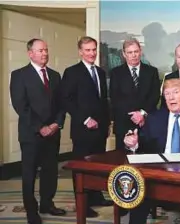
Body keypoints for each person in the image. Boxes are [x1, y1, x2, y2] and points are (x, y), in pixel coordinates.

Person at [124, 78, 180, 224]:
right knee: (137, 187)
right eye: (167, 94)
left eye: (175, 92)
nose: (171, 97)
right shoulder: (155, 118)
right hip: (158, 174)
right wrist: (133, 143)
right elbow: (143, 143)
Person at [10, 38, 66, 224]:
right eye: (41, 50)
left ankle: (47, 204)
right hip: (31, 135)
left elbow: (61, 104)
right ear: (30, 53)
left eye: (46, 50)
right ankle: (31, 210)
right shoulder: (19, 75)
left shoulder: (55, 75)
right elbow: (21, 106)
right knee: (29, 174)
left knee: (50, 172)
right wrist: (40, 127)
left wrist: (56, 124)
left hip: (52, 133)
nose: (45, 54)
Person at [60, 36, 113, 218]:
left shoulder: (100, 72)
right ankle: (82, 203)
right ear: (80, 52)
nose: (91, 53)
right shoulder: (72, 72)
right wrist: (85, 119)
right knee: (82, 167)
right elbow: (66, 100)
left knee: (97, 165)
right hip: (83, 129)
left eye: (94, 49)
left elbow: (103, 101)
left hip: (100, 129)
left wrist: (107, 124)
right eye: (88, 50)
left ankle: (96, 196)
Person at [109, 38, 160, 151]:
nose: (133, 55)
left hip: (146, 125)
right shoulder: (116, 73)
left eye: (136, 51)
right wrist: (134, 115)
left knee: (147, 162)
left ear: (140, 51)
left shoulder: (151, 72)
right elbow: (115, 98)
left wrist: (142, 113)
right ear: (124, 54)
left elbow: (155, 95)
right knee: (124, 164)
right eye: (130, 52)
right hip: (123, 125)